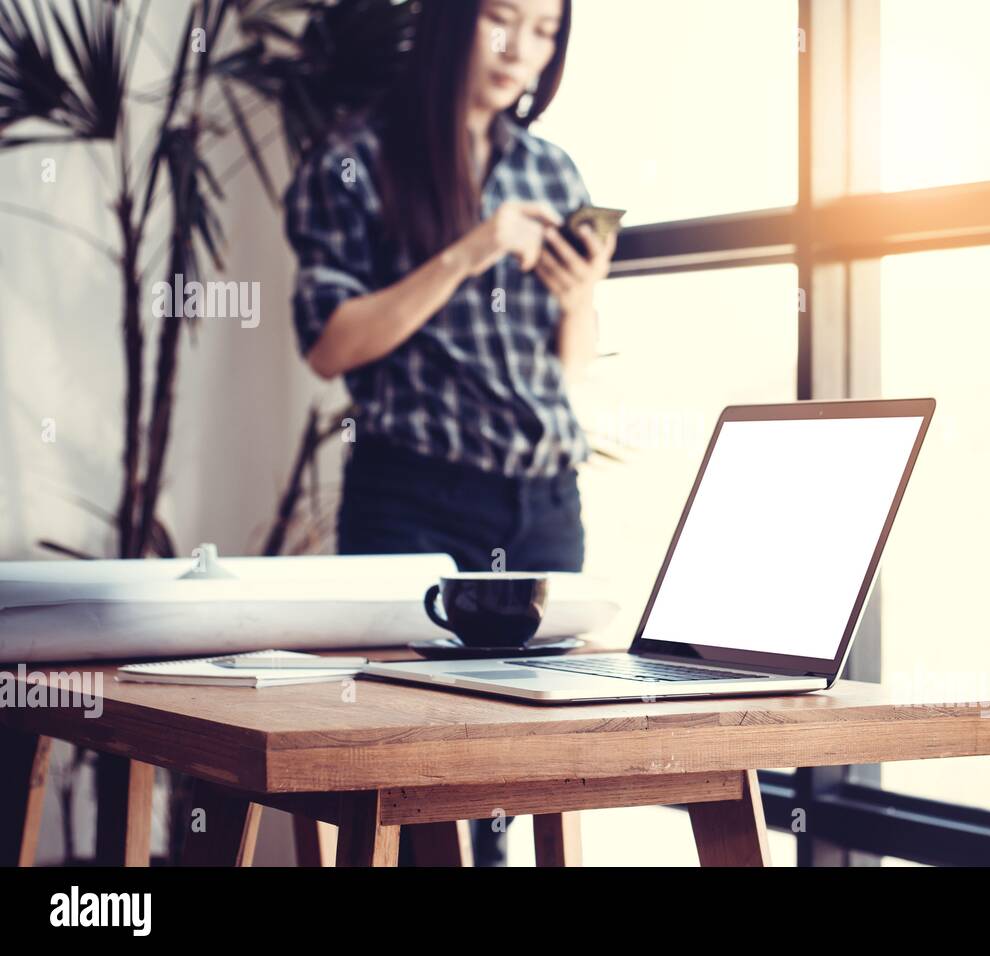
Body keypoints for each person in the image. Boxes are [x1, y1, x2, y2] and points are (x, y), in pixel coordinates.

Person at [284, 0, 614, 864]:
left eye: (546, 30)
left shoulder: (551, 170)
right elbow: (329, 344)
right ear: (451, 21)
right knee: (410, 780)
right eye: (503, 20)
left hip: (544, 504)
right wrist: (470, 251)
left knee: (525, 768)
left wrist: (580, 296)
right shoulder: (353, 159)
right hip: (413, 496)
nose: (524, 50)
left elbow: (564, 368)